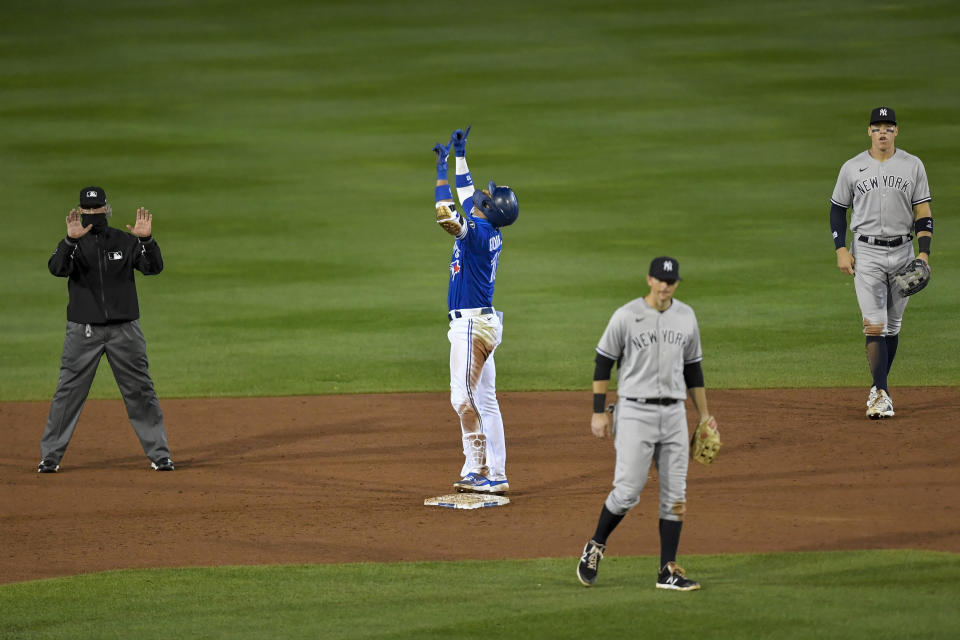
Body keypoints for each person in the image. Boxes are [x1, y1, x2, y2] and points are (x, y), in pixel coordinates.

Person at [577, 257, 715, 591]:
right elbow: (602, 362)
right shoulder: (626, 315)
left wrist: (705, 415)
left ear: (677, 283)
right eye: (660, 280)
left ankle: (667, 570)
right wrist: (599, 412)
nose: (665, 286)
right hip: (635, 413)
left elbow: (693, 369)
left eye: (671, 281)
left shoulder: (686, 316)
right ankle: (596, 545)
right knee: (627, 492)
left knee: (676, 495)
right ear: (649, 280)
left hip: (673, 415)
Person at [38, 186, 173, 473]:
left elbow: (154, 268)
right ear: (79, 210)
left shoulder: (124, 241)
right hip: (82, 332)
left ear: (105, 209)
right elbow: (56, 268)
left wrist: (147, 240)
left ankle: (160, 455)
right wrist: (68, 242)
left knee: (140, 391)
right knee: (68, 393)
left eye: (96, 208)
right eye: (87, 209)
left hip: (125, 331)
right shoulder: (73, 243)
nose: (92, 214)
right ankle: (50, 457)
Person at [830, 107, 933, 419]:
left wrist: (924, 253)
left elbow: (923, 213)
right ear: (869, 132)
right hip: (867, 253)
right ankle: (883, 394)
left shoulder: (913, 165)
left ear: (896, 131)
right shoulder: (852, 167)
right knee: (874, 323)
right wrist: (840, 249)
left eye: (888, 126)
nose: (883, 132)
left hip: (903, 251)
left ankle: (878, 388)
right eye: (877, 127)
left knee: (893, 326)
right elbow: (837, 210)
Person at [432, 127, 518, 494]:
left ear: (488, 209)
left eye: (488, 195)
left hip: (472, 327)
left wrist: (440, 173)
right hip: (480, 321)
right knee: (485, 400)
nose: (482, 192)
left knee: (462, 398)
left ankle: (477, 471)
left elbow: (445, 215)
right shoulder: (486, 223)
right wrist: (460, 156)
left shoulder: (479, 235)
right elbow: (467, 195)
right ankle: (495, 473)